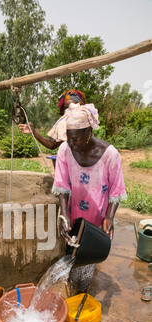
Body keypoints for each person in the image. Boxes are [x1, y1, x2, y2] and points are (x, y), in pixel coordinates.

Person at [51, 102, 127, 292]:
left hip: (96, 218)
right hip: (73, 213)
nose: (71, 143)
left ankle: (81, 290)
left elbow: (116, 191)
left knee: (87, 258)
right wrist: (63, 214)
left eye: (75, 139)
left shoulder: (110, 155)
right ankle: (73, 287)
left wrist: (109, 217)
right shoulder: (65, 151)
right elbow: (62, 184)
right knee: (71, 250)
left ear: (88, 133)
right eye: (68, 139)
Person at [18, 89, 86, 151]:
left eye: (72, 107)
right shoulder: (64, 127)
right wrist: (34, 132)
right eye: (66, 107)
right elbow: (52, 145)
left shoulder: (88, 123)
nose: (69, 110)